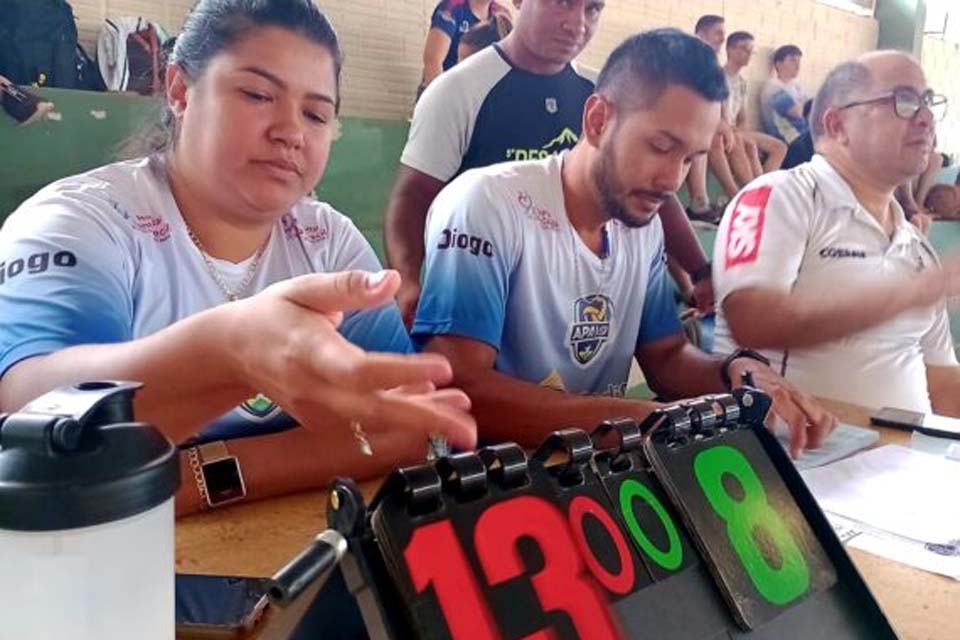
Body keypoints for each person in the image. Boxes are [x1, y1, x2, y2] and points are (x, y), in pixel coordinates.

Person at [0, 0, 476, 516]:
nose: (291, 131)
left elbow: (412, 426)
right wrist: (230, 349)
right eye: (257, 94)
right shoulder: (85, 221)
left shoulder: (327, 243)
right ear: (180, 89)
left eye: (316, 113)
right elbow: (35, 425)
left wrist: (201, 476)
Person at [413, 29, 835, 457]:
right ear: (597, 121)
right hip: (495, 489)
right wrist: (642, 421)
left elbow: (666, 358)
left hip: (602, 479)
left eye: (690, 158)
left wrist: (737, 372)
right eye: (660, 146)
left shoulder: (642, 226)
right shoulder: (487, 204)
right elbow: (462, 389)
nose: (672, 181)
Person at [386, 0, 717, 326]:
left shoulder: (601, 94)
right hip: (480, 303)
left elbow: (651, 187)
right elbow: (413, 197)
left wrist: (701, 271)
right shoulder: (457, 90)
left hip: (570, 312)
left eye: (592, 9)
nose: (578, 24)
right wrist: (407, 281)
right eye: (563, 3)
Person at [714, 51, 960, 415]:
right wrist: (909, 294)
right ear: (837, 125)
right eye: (904, 102)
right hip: (804, 462)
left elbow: (942, 384)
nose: (926, 118)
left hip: (908, 461)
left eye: (927, 101)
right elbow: (751, 320)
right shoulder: (780, 197)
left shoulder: (917, 246)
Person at [720, 31, 786, 177]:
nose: (749, 53)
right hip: (721, 130)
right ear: (730, 49)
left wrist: (742, 131)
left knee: (779, 147)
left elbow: (742, 118)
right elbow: (718, 115)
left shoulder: (741, 82)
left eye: (752, 50)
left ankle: (763, 184)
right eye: (745, 49)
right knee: (746, 145)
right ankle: (753, 188)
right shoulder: (718, 76)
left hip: (736, 130)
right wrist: (735, 133)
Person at [420, 0, 504, 90]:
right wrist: (443, 99)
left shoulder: (501, 15)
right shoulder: (452, 6)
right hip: (445, 87)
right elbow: (433, 61)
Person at [760, 44, 808, 143]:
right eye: (792, 60)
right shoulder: (773, 88)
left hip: (801, 135)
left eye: (799, 61)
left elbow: (809, 109)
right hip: (788, 139)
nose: (797, 65)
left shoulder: (796, 85)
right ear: (778, 64)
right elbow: (799, 112)